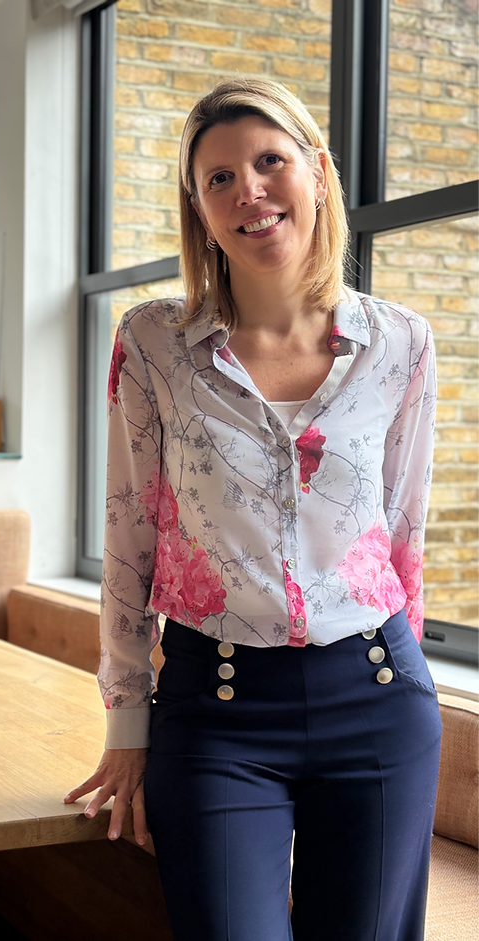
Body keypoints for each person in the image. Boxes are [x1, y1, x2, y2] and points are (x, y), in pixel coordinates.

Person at [65, 78, 442, 941]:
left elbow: (403, 533)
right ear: (199, 210)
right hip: (216, 711)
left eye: (270, 162)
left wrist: (414, 670)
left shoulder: (401, 343)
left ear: (317, 174)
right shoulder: (153, 343)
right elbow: (129, 535)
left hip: (379, 695)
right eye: (220, 179)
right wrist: (127, 721)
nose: (250, 191)